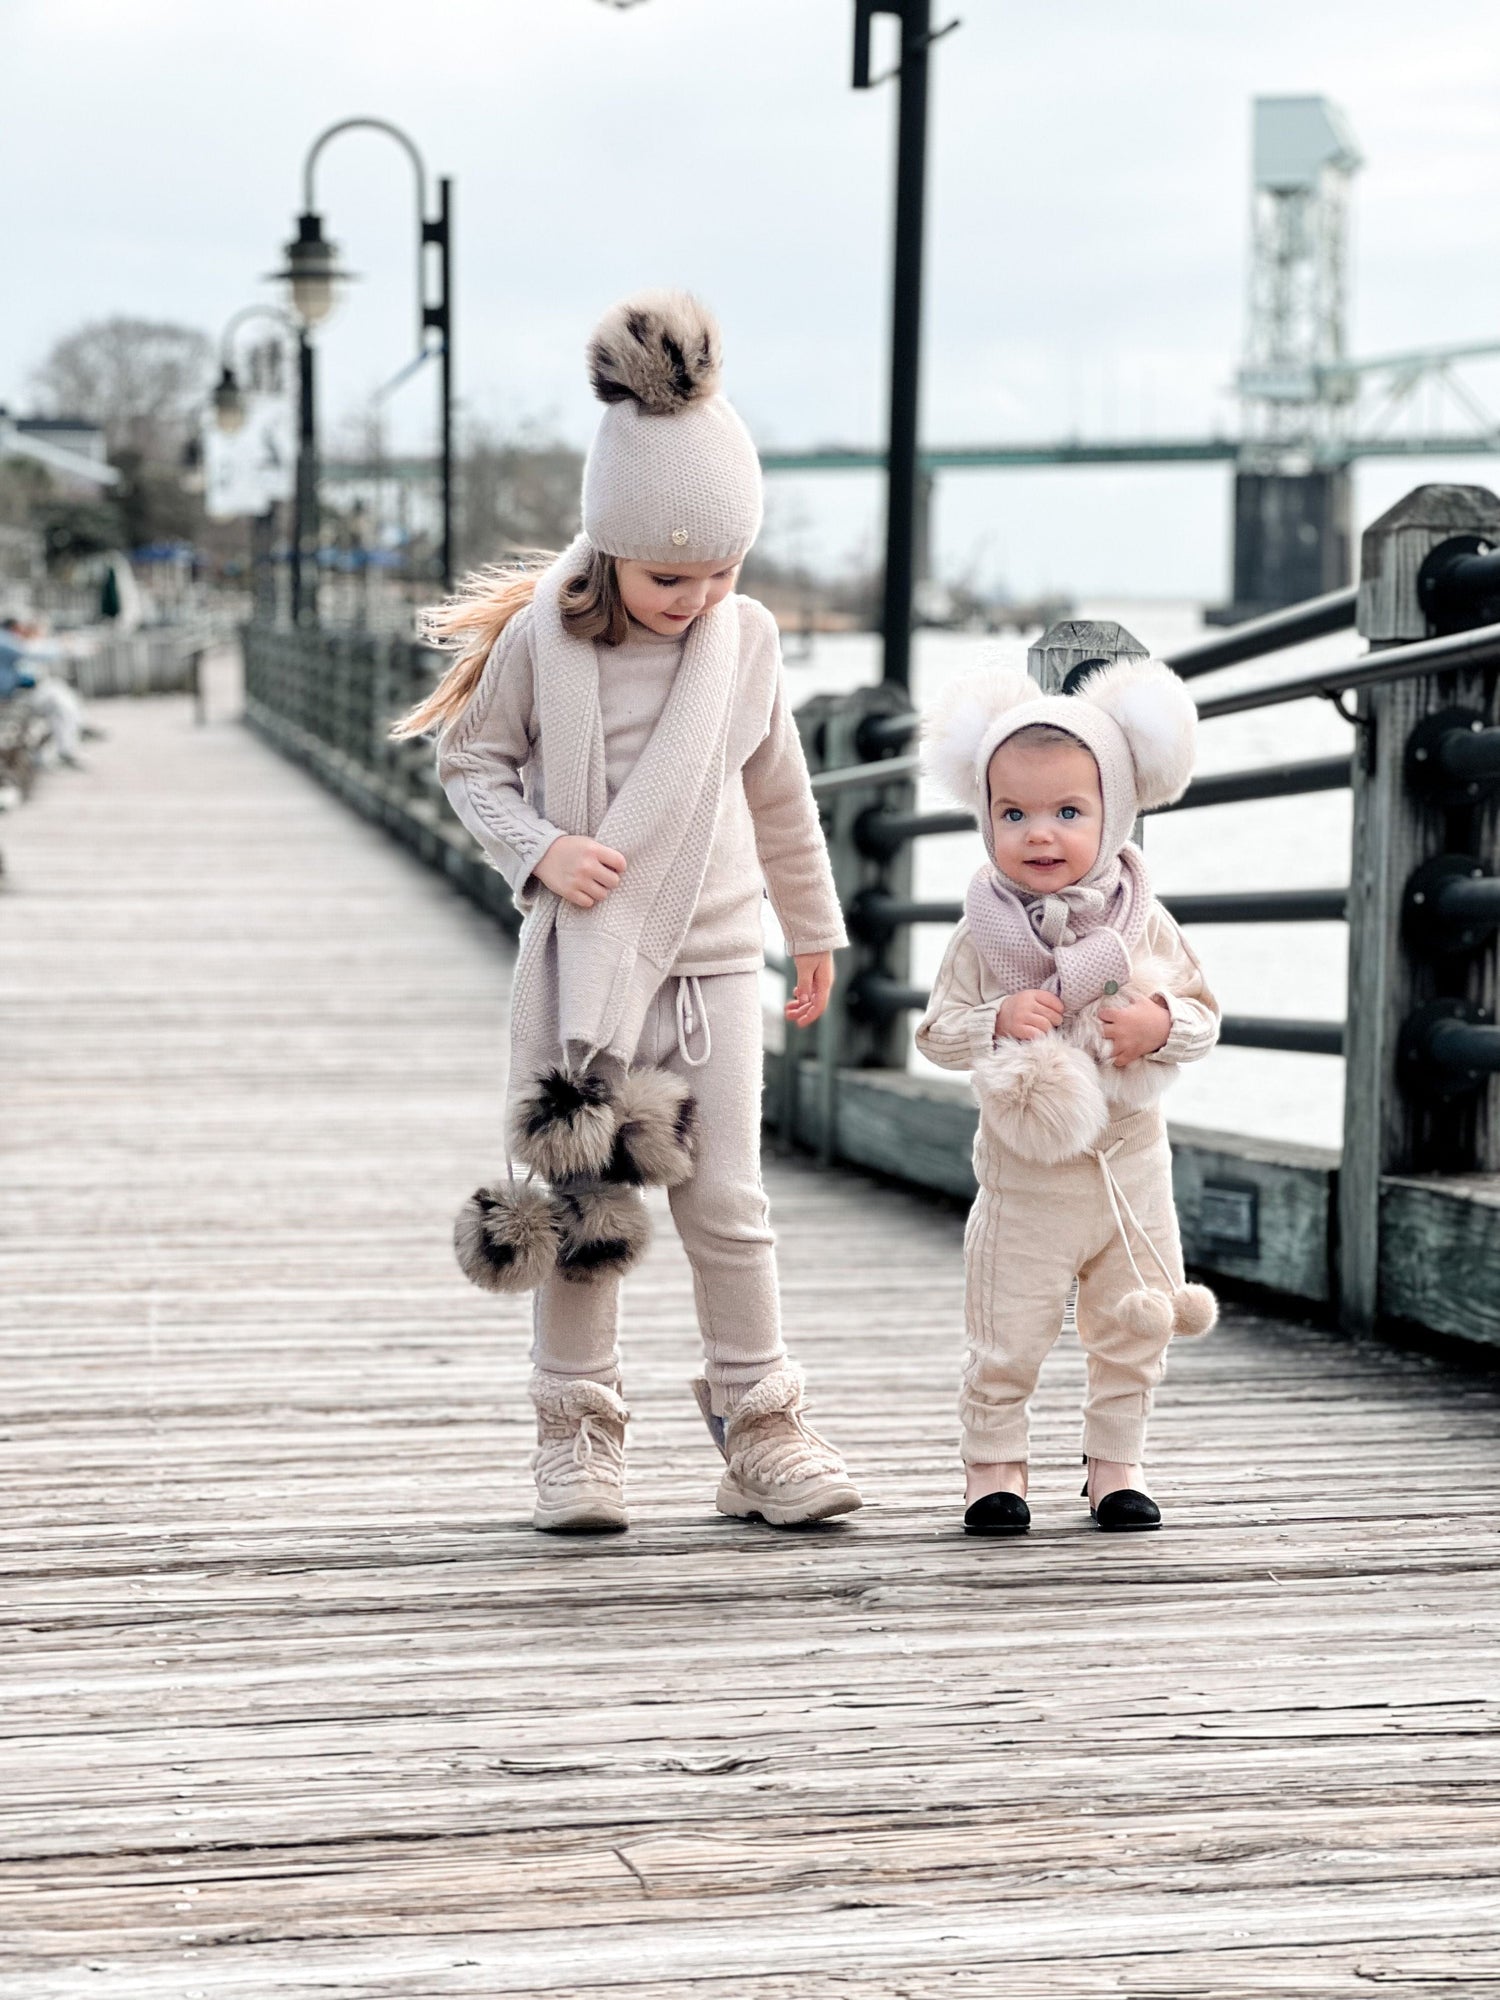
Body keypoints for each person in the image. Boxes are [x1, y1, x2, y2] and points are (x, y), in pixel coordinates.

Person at [392, 291, 862, 1536]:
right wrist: (542, 850)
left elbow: (780, 789)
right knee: (585, 1209)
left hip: (715, 966)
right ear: (609, 545)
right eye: (669, 574)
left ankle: (760, 1426)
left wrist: (813, 926)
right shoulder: (543, 640)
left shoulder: (746, 640)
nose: (697, 595)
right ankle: (577, 1431)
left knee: (729, 1203)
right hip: (591, 968)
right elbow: (470, 765)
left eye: (722, 571)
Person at [916, 657, 1220, 1535]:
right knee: (1006, 1329)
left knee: (1135, 1322)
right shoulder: (982, 932)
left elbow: (1203, 1014)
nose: (1039, 835)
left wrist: (1159, 1025)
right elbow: (936, 1032)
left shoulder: (1144, 920)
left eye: (1068, 813)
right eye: (1013, 814)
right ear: (986, 817)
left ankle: (1115, 1462)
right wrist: (997, 1020)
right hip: (1026, 1181)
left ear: (1114, 811)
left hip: (1132, 1169)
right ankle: (994, 1466)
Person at [0, 618, 87, 768]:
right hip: (10, 698)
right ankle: (65, 749)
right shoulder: (4, 640)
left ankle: (72, 737)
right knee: (58, 701)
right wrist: (63, 646)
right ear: (14, 628)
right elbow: (31, 652)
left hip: (14, 694)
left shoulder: (5, 640)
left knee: (59, 693)